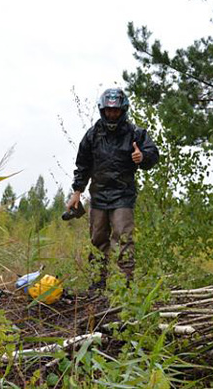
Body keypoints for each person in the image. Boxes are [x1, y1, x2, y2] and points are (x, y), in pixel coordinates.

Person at [66, 88, 159, 288]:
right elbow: (83, 164)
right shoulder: (92, 134)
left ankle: (125, 286)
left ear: (123, 110)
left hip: (123, 196)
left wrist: (142, 157)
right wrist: (77, 192)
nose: (112, 114)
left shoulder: (135, 133)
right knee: (98, 240)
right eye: (109, 111)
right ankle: (97, 285)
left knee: (123, 239)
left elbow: (153, 154)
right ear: (103, 110)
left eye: (116, 111)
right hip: (98, 196)